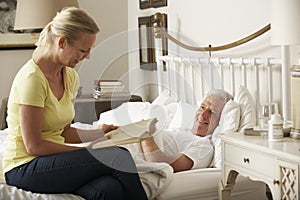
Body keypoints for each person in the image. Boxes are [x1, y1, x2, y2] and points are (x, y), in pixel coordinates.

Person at [2, 7, 147, 200]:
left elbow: (63, 132)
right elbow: (34, 146)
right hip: (25, 167)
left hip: (52, 161)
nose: (87, 56)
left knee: (109, 188)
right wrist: (86, 151)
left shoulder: (69, 75)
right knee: (118, 156)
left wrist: (101, 132)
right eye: (83, 50)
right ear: (62, 42)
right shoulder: (32, 80)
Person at [139, 89, 233, 172]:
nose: (203, 114)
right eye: (202, 107)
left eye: (212, 112)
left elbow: (160, 165)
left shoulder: (203, 146)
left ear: (220, 121)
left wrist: (146, 135)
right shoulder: (177, 130)